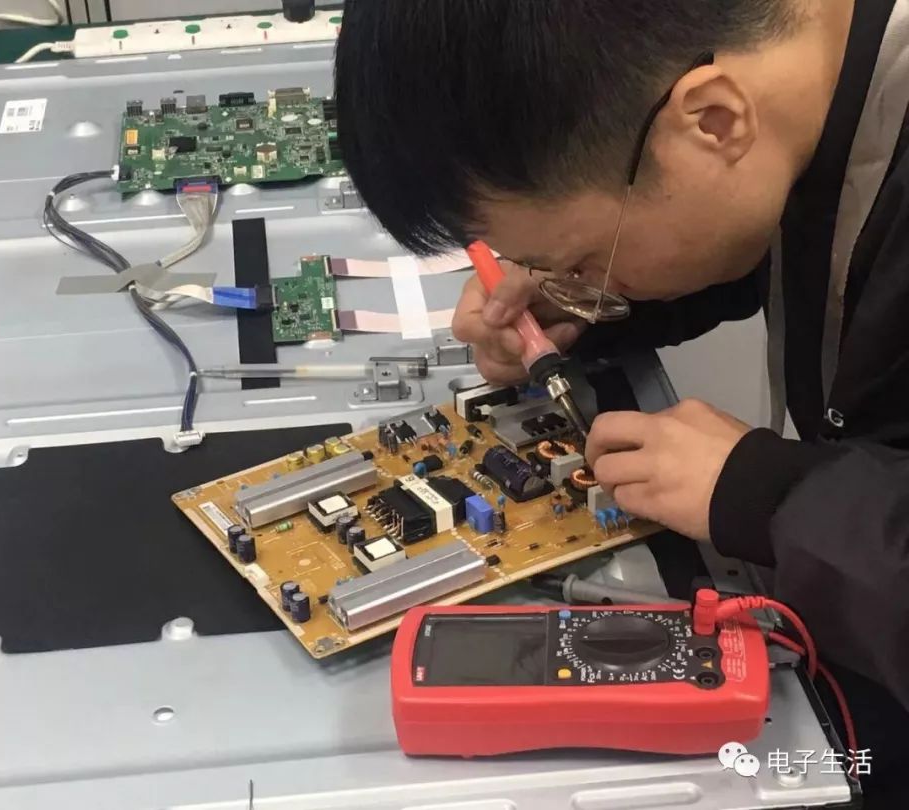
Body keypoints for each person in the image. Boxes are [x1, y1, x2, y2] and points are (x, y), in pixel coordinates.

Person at [334, 0, 909, 803]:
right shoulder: (812, 75)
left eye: (576, 260)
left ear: (712, 121)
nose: (562, 279)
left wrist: (769, 495)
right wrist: (590, 306)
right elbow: (795, 236)